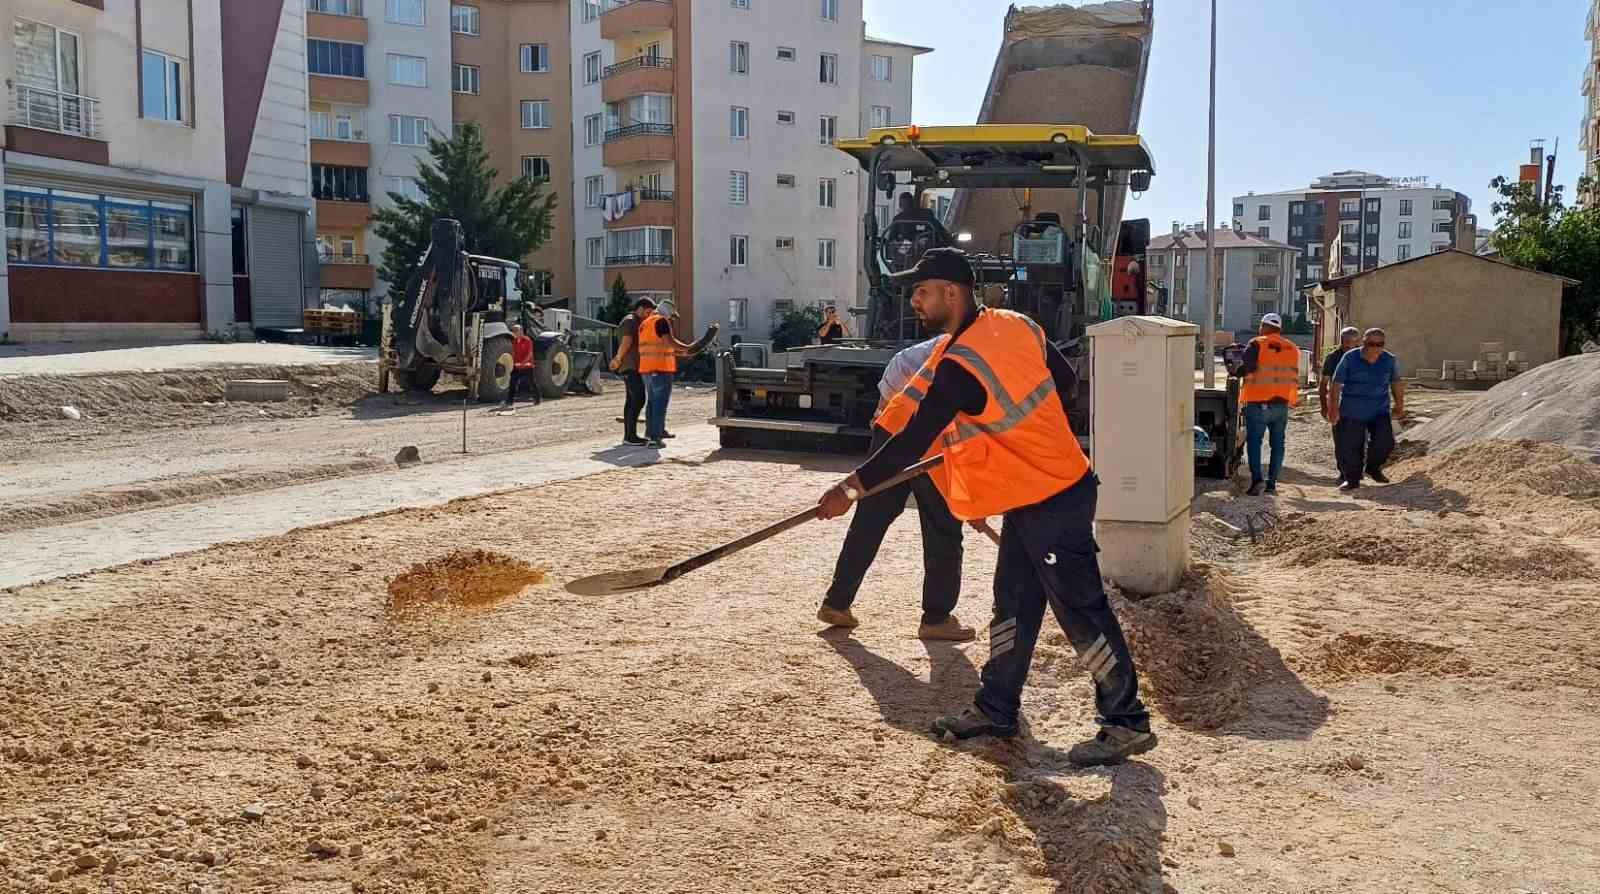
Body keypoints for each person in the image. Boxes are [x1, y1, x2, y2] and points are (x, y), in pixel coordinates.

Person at [815, 248, 1154, 767]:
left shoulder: (961, 366)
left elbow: (911, 442)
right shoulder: (1017, 324)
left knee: (1080, 608)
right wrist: (1023, 438)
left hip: (1053, 498)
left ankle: (1125, 720)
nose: (915, 301)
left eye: (922, 291)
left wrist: (850, 489)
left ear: (952, 293)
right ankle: (997, 707)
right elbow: (1064, 384)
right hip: (1041, 490)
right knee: (1011, 603)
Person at [816, 336, 975, 642]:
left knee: (869, 521)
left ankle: (836, 601)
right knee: (943, 529)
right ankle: (937, 619)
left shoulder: (916, 354)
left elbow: (883, 409)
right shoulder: (978, 355)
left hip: (890, 437)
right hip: (934, 443)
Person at [1232, 312, 1300, 496]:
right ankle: (1272, 484)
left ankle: (1257, 481)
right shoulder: (1292, 348)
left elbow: (1248, 368)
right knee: (1278, 444)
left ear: (1264, 326)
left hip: (1259, 402)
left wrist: (1235, 370)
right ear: (1279, 329)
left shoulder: (1257, 343)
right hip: (1282, 404)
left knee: (1254, 442)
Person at [1329, 327, 1404, 490]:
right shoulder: (1350, 358)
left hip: (1379, 410)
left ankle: (1373, 467)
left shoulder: (1389, 360)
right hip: (1351, 411)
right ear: (1364, 343)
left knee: (1385, 443)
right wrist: (1333, 408)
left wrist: (1399, 405)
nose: (1375, 348)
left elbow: (1396, 383)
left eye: (1380, 344)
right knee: (1351, 447)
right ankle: (1352, 479)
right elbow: (1336, 384)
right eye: (1371, 344)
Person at [637, 301, 717, 449]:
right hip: (660, 369)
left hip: (646, 369)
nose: (672, 319)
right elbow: (670, 342)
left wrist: (682, 353)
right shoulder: (661, 321)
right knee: (659, 404)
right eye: (672, 316)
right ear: (668, 312)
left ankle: (652, 433)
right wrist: (687, 348)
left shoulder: (645, 323)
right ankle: (655, 439)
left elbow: (659, 346)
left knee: (653, 402)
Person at [609, 298, 654, 445]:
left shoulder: (635, 321)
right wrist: (618, 359)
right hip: (630, 366)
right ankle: (630, 436)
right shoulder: (630, 321)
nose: (649, 315)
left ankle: (629, 436)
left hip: (633, 366)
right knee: (639, 398)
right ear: (640, 308)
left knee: (631, 400)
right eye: (648, 312)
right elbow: (626, 341)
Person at [1319, 327, 1361, 422]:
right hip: (1338, 403)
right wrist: (1324, 407)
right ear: (1341, 341)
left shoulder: (1364, 356)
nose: (1349, 345)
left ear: (1357, 342)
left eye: (1352, 342)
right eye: (1346, 342)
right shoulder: (1333, 358)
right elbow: (1323, 383)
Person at [501, 324, 540, 409]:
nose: (514, 333)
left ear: (521, 331)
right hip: (517, 366)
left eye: (516, 331)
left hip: (527, 366)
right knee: (512, 383)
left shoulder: (527, 340)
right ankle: (509, 401)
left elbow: (530, 354)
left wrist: (523, 363)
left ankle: (537, 399)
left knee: (532, 383)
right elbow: (513, 353)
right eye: (513, 331)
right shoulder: (514, 341)